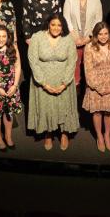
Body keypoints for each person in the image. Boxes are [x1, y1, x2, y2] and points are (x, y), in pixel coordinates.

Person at [27, 14, 78, 151]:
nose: (56, 28)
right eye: (53, 24)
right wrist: (44, 83)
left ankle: (64, 133)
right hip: (43, 81)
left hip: (63, 81)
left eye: (59, 25)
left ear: (63, 27)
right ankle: (48, 133)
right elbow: (33, 61)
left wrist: (64, 83)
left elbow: (72, 61)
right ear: (48, 24)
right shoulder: (37, 37)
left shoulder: (68, 39)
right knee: (46, 108)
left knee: (64, 107)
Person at [82, 22, 110, 152]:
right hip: (96, 85)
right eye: (100, 34)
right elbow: (88, 70)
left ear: (109, 33)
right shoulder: (89, 47)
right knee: (97, 112)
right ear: (95, 35)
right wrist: (99, 88)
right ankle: (99, 136)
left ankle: (107, 135)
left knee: (108, 111)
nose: (103, 37)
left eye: (106, 33)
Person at [63, 0, 103, 86]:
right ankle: (75, 88)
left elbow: (98, 19)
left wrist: (89, 37)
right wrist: (73, 35)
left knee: (90, 65)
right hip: (73, 38)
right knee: (74, 64)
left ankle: (89, 87)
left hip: (90, 38)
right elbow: (66, 18)